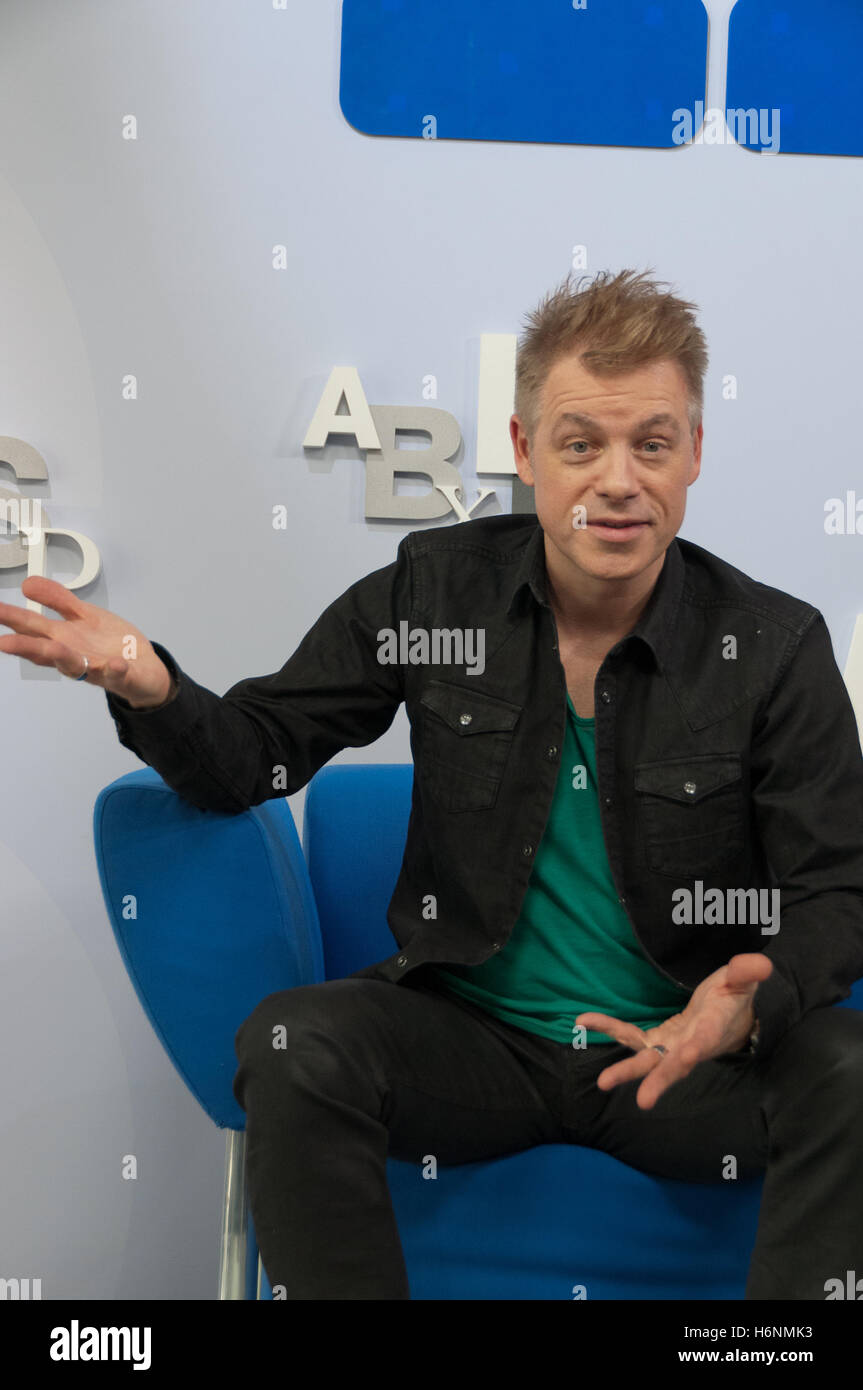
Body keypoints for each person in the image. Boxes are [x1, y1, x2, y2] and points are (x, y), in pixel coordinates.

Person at [2, 269, 862, 1302]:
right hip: (474, 1040)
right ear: (524, 449)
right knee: (293, 1041)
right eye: (579, 442)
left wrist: (750, 1005)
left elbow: (836, 889)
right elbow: (252, 757)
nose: (618, 479)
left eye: (652, 442)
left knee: (848, 1069)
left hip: (675, 1054)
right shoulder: (431, 591)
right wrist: (149, 682)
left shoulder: (769, 646)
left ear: (693, 453)